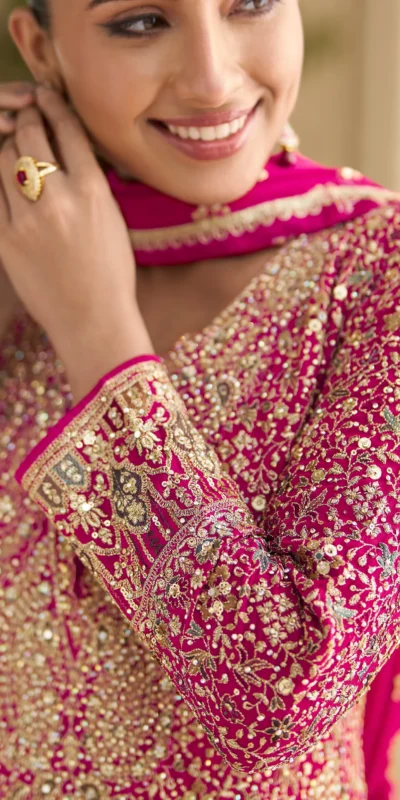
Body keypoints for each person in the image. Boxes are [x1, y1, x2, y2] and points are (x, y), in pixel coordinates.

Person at [0, 0, 400, 797]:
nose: (213, 80)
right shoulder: (14, 250)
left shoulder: (375, 276)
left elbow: (282, 699)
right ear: (40, 48)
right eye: (142, 22)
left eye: (250, 2)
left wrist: (97, 333)